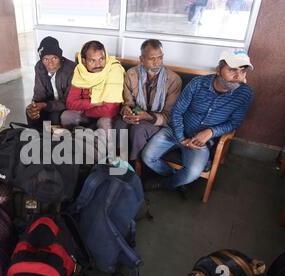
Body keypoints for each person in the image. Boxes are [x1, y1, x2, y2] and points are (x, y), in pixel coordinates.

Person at [142, 48, 254, 191]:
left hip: (201, 142)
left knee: (192, 173)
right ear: (218, 70)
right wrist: (181, 138)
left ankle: (166, 184)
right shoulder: (197, 84)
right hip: (174, 130)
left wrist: (210, 132)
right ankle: (174, 178)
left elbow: (234, 122)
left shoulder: (245, 94)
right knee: (147, 157)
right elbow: (177, 111)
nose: (238, 76)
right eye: (232, 70)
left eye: (243, 71)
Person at [113, 39, 182, 174]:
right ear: (141, 59)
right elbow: (128, 103)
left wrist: (148, 117)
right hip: (138, 113)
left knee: (138, 129)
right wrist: (126, 111)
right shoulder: (132, 74)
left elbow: (169, 115)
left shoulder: (173, 80)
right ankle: (118, 165)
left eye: (160, 58)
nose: (157, 63)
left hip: (159, 120)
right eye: (152, 59)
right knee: (120, 124)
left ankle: (135, 171)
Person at [61, 40, 125, 131]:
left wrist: (84, 110)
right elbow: (70, 103)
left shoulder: (114, 70)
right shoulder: (80, 71)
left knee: (104, 123)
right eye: (92, 60)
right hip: (87, 113)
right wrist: (93, 103)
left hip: (105, 116)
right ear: (84, 61)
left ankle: (97, 142)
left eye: (101, 59)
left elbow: (110, 110)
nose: (98, 64)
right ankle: (79, 141)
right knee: (66, 116)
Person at [26, 36, 76, 130]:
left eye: (54, 58)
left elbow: (69, 102)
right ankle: (36, 139)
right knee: (30, 112)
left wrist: (46, 105)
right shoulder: (39, 67)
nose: (50, 63)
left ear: (60, 57)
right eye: (45, 59)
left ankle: (54, 142)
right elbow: (39, 93)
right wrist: (34, 107)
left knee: (54, 117)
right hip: (48, 104)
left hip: (66, 107)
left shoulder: (71, 69)